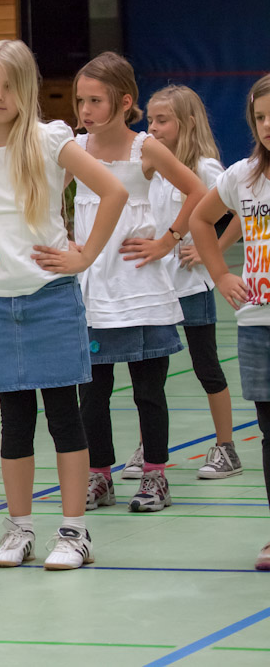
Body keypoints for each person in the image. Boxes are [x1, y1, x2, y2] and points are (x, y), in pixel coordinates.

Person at [0, 39, 127, 570]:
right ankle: (19, 529)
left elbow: (113, 192)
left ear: (26, 90)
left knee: (64, 417)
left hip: (51, 299)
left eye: (8, 86)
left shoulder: (48, 140)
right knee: (14, 422)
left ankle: (74, 531)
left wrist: (84, 256)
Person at [70, 53, 205, 514]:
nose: (85, 110)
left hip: (141, 290)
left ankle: (155, 476)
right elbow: (41, 193)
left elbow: (199, 191)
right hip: (92, 291)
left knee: (149, 391)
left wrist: (168, 240)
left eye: (96, 100)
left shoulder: (144, 148)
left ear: (125, 102)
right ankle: (100, 476)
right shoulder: (74, 148)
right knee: (93, 393)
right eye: (81, 100)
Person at [190, 73, 270, 570]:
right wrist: (220, 273)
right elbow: (200, 219)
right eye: (260, 117)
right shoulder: (242, 177)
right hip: (257, 322)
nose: (267, 125)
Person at [146, 84, 241, 478]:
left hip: (191, 285)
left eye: (162, 120)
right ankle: (149, 448)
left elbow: (240, 212)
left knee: (206, 367)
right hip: (155, 286)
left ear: (186, 123)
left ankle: (226, 448)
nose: (153, 128)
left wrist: (210, 249)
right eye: (149, 120)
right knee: (150, 372)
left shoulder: (205, 168)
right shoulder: (151, 168)